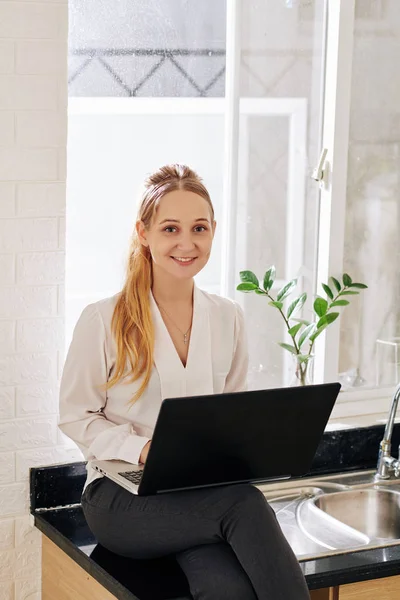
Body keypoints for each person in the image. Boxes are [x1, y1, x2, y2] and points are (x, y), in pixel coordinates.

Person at [59, 164, 310, 600]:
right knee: (244, 502)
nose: (186, 243)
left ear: (214, 231)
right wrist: (140, 447)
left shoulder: (228, 316)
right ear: (144, 232)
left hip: (197, 496)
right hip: (120, 497)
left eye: (199, 228)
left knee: (227, 587)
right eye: (170, 228)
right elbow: (74, 415)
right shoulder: (103, 319)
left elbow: (233, 408)